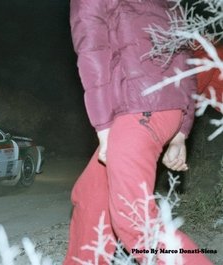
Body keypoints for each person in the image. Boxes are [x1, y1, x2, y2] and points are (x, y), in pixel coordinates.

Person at [64, 0, 214, 264]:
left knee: (135, 223)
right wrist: (180, 131)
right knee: (91, 195)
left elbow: (92, 52)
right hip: (163, 111)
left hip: (136, 112)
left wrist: (103, 127)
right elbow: (185, 59)